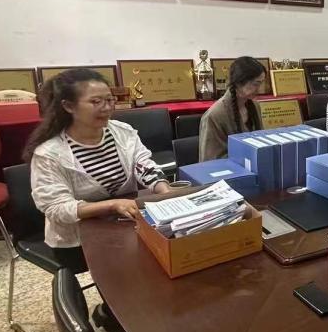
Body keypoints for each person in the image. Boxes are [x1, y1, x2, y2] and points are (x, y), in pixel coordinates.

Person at [26, 68, 171, 252]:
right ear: (69, 106)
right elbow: (57, 208)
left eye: (109, 100)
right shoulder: (49, 154)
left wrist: (163, 189)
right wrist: (111, 205)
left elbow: (143, 164)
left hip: (126, 226)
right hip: (78, 240)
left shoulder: (122, 132)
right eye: (96, 102)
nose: (107, 107)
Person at [198, 56, 265, 160]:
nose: (260, 89)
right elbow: (210, 160)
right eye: (256, 84)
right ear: (239, 82)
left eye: (261, 83)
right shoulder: (214, 115)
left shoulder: (255, 106)